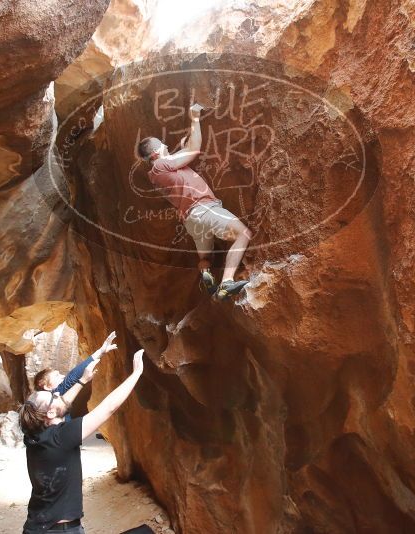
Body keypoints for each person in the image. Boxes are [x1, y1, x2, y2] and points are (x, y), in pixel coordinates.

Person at [19, 348, 145, 533]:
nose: (58, 394)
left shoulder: (33, 435)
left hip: (36, 527)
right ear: (50, 413)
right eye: (54, 396)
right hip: (61, 530)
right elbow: (108, 407)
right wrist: (136, 373)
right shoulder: (61, 437)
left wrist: (82, 380)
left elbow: (62, 403)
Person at [137, 103, 253, 300]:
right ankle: (226, 283)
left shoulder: (157, 172)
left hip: (192, 221)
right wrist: (195, 118)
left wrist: (184, 149)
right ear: (156, 153)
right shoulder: (161, 164)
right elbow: (195, 148)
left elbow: (182, 157)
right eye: (162, 144)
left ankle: (205, 275)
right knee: (243, 234)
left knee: (206, 258)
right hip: (204, 209)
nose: (166, 145)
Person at [33, 331, 118, 394]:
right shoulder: (54, 396)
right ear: (46, 386)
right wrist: (100, 351)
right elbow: (71, 378)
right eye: (57, 376)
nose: (63, 376)